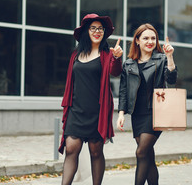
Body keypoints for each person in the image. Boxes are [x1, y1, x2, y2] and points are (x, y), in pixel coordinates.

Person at [59, 13, 123, 185]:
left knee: (96, 152)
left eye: (100, 29)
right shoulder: (75, 55)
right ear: (86, 31)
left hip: (97, 111)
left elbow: (115, 71)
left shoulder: (106, 54)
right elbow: (70, 82)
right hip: (76, 110)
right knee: (71, 149)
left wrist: (117, 57)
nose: (97, 31)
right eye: (93, 28)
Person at [117, 24, 177, 185]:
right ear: (137, 41)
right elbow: (123, 90)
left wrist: (170, 57)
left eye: (153, 38)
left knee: (141, 152)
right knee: (148, 156)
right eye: (145, 38)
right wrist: (121, 114)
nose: (150, 41)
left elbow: (171, 79)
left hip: (156, 112)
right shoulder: (128, 64)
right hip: (137, 114)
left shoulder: (162, 58)